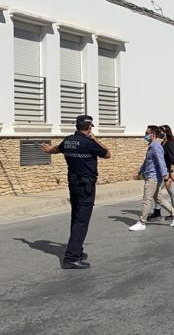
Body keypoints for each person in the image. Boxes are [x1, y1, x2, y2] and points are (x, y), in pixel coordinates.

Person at [41, 115, 111, 269]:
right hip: (86, 186)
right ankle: (71, 258)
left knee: (76, 217)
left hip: (73, 183)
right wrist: (95, 139)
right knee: (82, 221)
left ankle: (77, 250)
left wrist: (47, 150)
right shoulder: (89, 143)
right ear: (89, 127)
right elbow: (107, 153)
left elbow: (54, 150)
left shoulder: (68, 140)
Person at [129, 126, 174, 231]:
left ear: (153, 135)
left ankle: (142, 222)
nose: (145, 135)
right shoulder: (151, 146)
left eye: (147, 133)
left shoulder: (156, 146)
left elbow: (161, 162)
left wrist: (166, 177)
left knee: (146, 199)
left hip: (153, 177)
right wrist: (139, 172)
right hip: (151, 176)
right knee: (158, 199)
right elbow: (147, 161)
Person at [148, 125, 174, 221]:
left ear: (166, 133)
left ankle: (160, 212)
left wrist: (172, 172)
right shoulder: (163, 143)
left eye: (162, 132)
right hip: (164, 170)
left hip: (169, 170)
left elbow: (172, 158)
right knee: (170, 191)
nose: (160, 134)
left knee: (157, 192)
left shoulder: (170, 143)